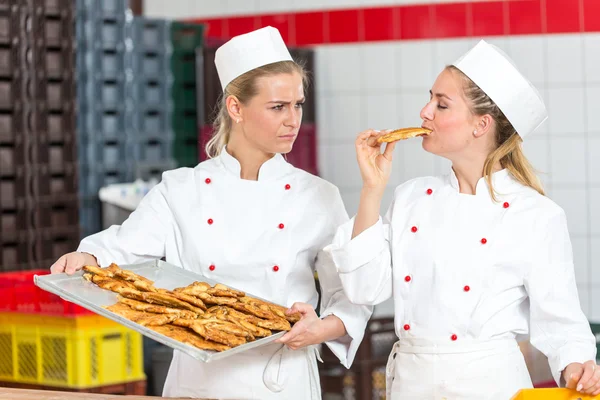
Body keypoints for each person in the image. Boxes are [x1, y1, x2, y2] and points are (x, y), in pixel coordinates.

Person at [50, 26, 372, 399]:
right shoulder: (181, 189)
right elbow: (123, 248)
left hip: (280, 381)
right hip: (200, 384)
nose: (293, 119)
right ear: (236, 107)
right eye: (277, 107)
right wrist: (87, 256)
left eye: (297, 104)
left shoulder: (318, 196)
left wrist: (322, 328)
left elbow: (350, 298)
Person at [325, 40, 599, 399]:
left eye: (441, 104)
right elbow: (364, 289)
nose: (424, 112)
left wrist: (577, 366)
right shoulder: (410, 196)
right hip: (412, 384)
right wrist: (372, 189)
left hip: (491, 386)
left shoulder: (536, 215)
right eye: (430, 100)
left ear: (480, 125)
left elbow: (561, 323)